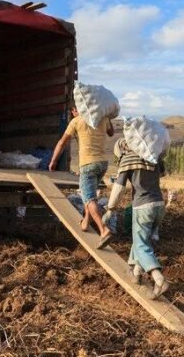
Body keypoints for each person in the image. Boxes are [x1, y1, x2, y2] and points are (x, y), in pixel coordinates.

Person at [104, 139, 168, 298]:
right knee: (142, 239)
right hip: (159, 205)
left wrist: (110, 209)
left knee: (140, 245)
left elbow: (118, 188)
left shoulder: (127, 160)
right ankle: (137, 272)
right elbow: (162, 172)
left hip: (143, 207)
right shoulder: (152, 156)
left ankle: (158, 279)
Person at [50, 106, 115, 247]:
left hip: (88, 164)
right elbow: (111, 132)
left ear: (78, 109)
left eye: (74, 109)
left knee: (89, 199)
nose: (72, 112)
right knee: (89, 195)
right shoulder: (102, 118)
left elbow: (62, 142)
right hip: (102, 164)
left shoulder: (76, 121)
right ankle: (85, 222)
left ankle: (104, 230)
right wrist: (106, 116)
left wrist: (54, 161)